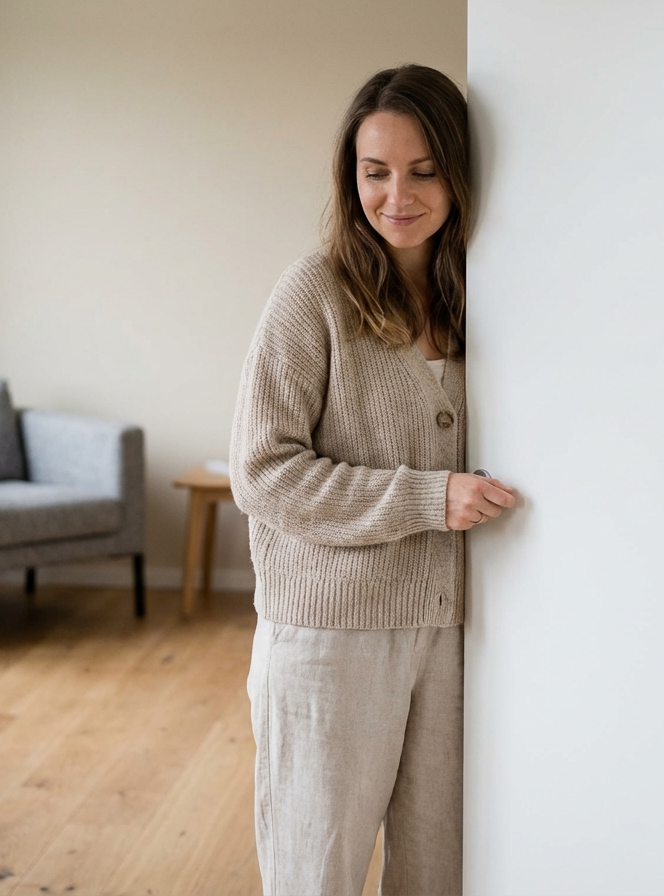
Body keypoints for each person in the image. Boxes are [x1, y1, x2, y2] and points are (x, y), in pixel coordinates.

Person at [229, 64, 517, 896]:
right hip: (330, 638)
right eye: (376, 171)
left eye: (424, 171)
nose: (398, 195)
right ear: (349, 176)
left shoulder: (483, 295)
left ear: (458, 173)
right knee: (315, 874)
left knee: (439, 872)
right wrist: (429, 497)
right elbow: (262, 471)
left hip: (450, 635)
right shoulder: (312, 293)